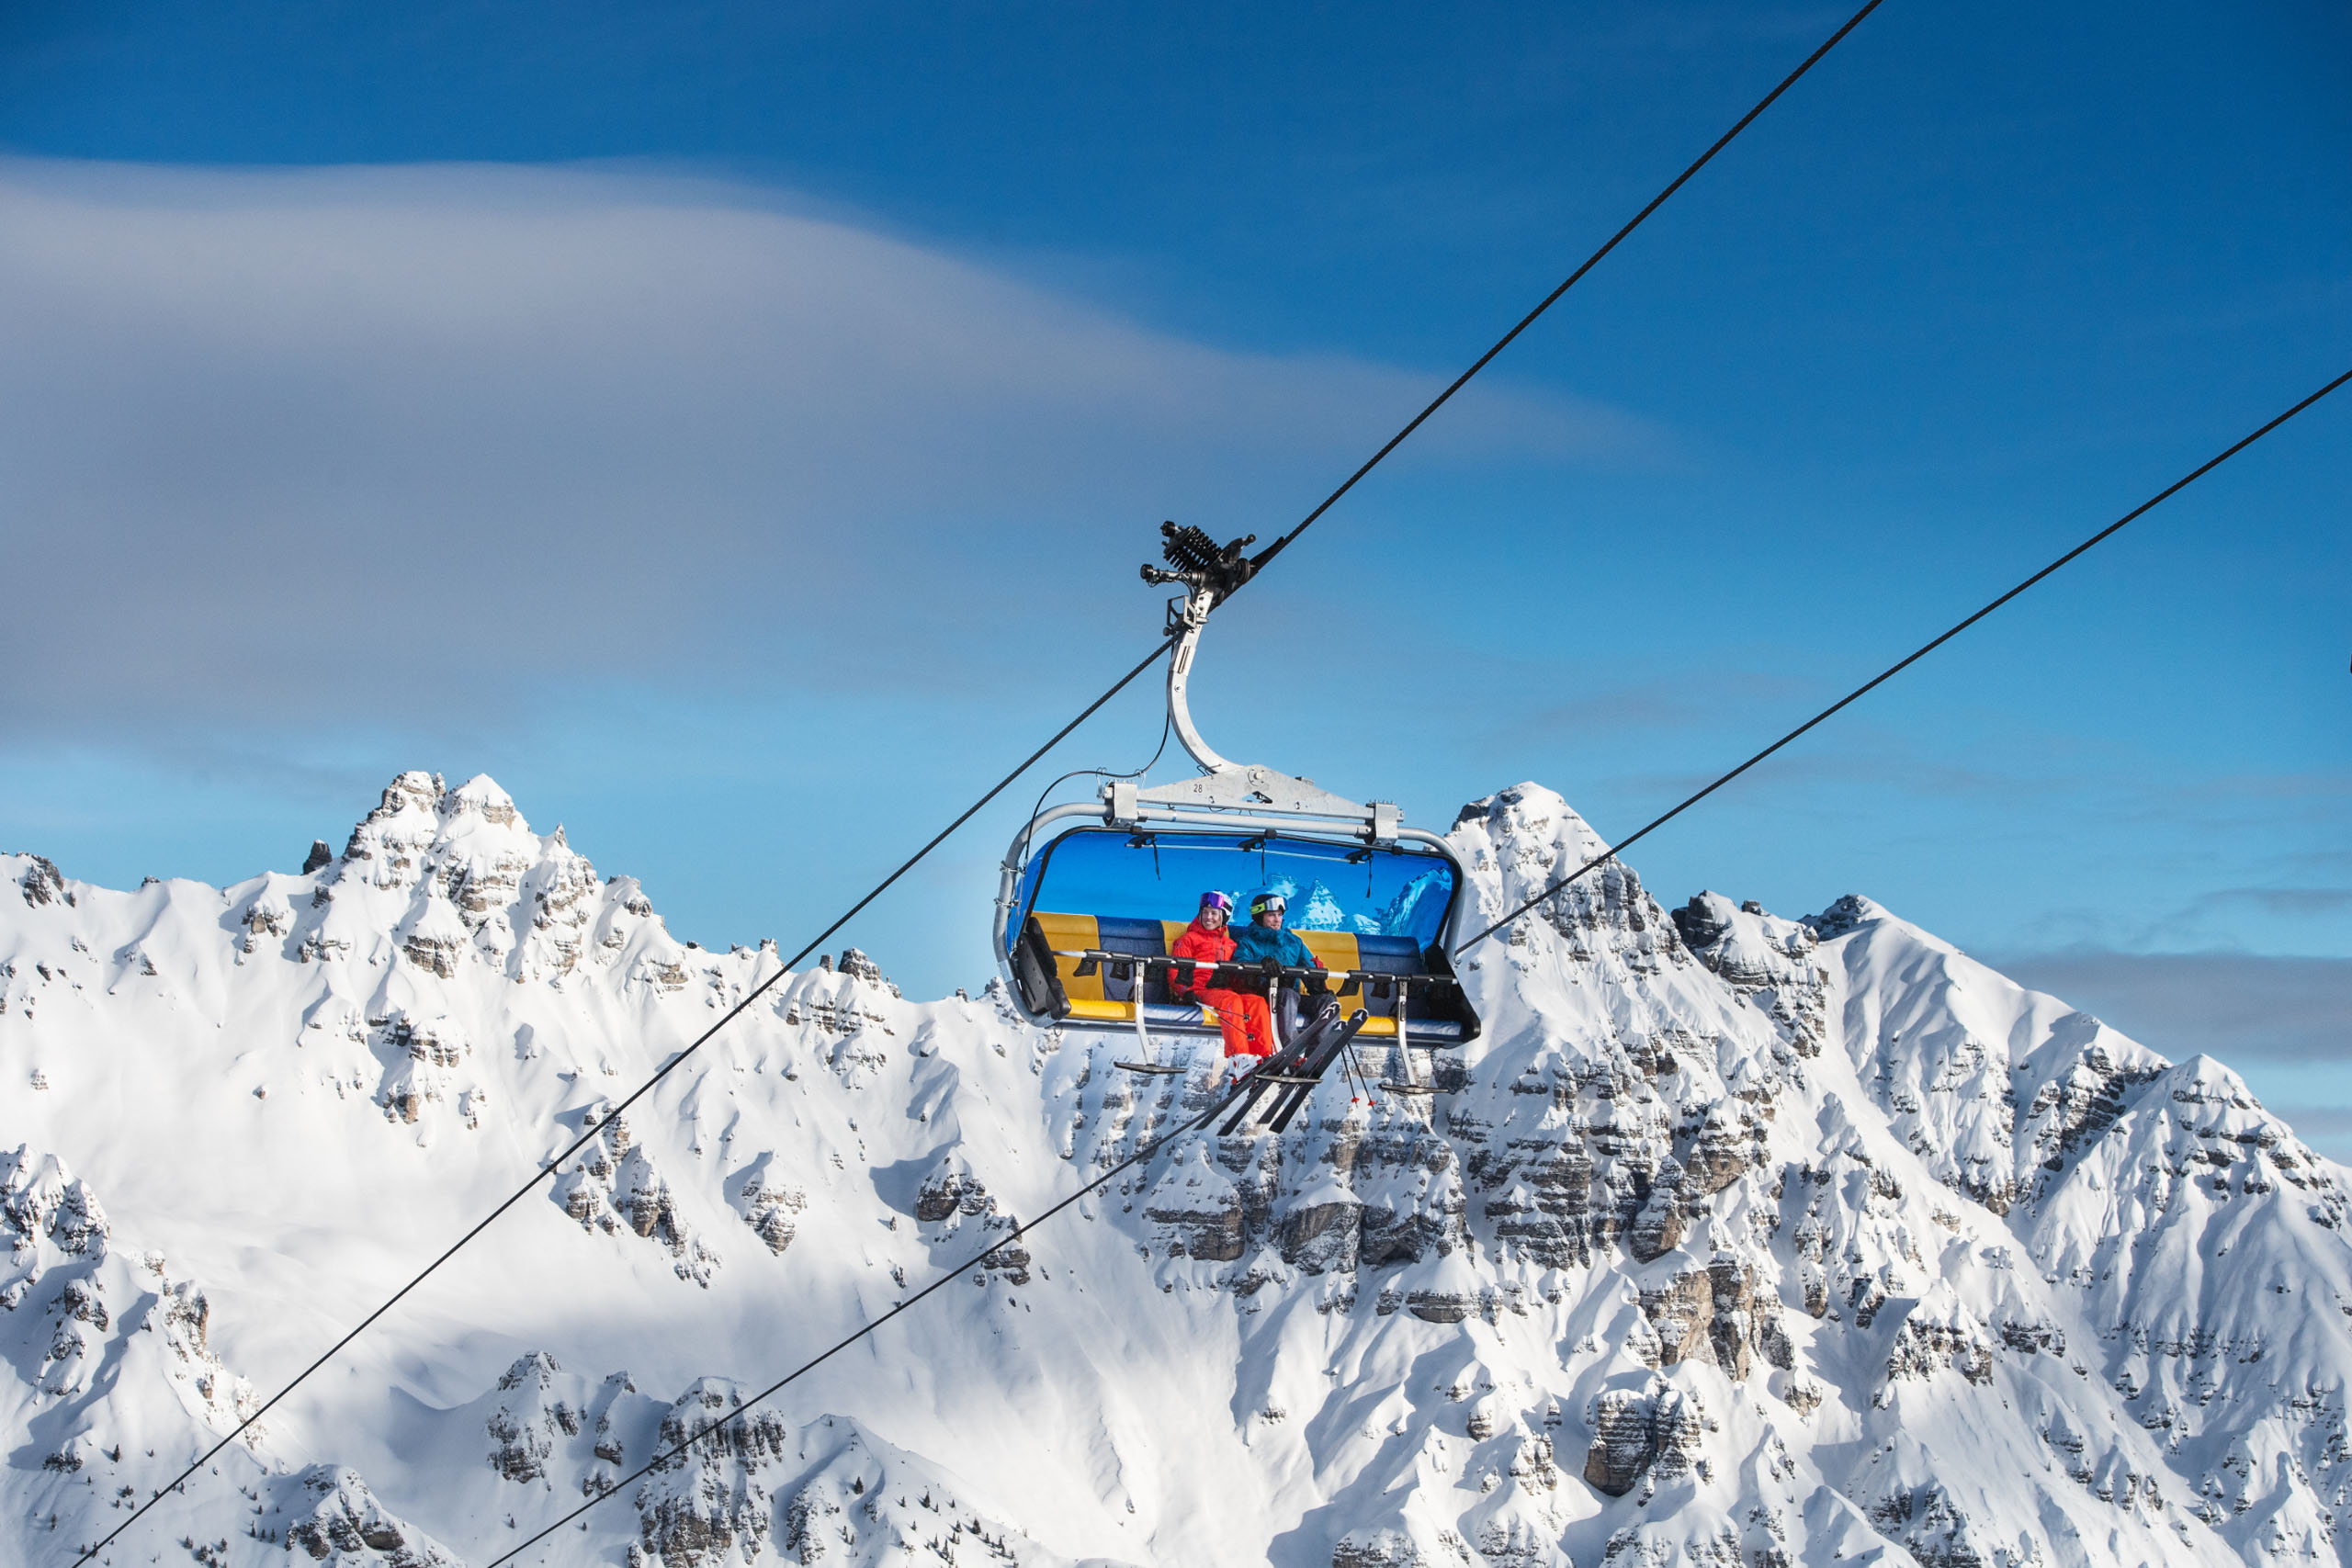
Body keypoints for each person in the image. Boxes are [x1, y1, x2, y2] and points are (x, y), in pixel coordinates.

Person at [1169, 891, 1274, 1059]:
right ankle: (1239, 1058)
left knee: (1257, 1003)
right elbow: (1175, 970)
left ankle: (1263, 1056)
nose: (1208, 917)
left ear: (1224, 917)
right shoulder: (1189, 940)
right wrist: (1184, 991)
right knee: (1230, 1001)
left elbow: (1237, 977)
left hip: (1225, 991)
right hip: (1199, 991)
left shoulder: (1230, 945)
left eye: (1214, 913)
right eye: (1205, 912)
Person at [1229, 890, 1329, 1043]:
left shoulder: (1294, 942)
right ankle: (1287, 1050)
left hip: (1292, 999)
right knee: (1286, 995)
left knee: (1326, 1001)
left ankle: (1318, 1053)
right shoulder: (1247, 943)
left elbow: (1309, 968)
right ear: (1259, 917)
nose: (1277, 920)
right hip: (1265, 998)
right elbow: (1240, 972)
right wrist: (1261, 965)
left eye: (1279, 915)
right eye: (1271, 915)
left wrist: (1318, 984)